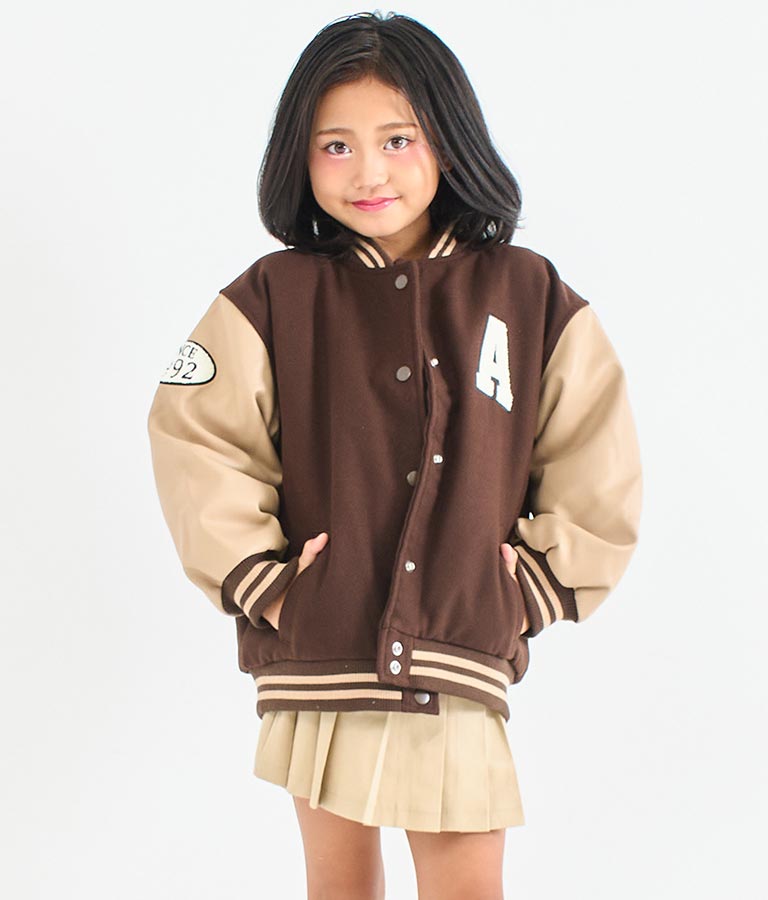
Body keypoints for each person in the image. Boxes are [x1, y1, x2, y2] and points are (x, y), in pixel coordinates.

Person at [146, 10, 643, 899]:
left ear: (449, 140)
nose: (368, 171)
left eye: (397, 139)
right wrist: (264, 583)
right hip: (320, 649)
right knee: (339, 887)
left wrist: (532, 587)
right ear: (298, 156)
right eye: (335, 145)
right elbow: (197, 437)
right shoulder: (273, 296)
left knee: (467, 886)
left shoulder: (526, 292)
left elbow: (594, 453)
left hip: (457, 650)